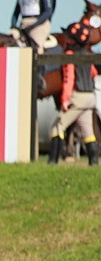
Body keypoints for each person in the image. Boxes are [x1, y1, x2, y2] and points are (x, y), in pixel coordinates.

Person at [48, 21, 98, 165]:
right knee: (87, 131)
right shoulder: (88, 55)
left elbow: (69, 78)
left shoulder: (70, 55)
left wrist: (65, 99)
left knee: (57, 126)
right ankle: (93, 162)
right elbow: (94, 73)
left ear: (72, 40)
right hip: (90, 96)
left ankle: (53, 161)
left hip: (78, 96)